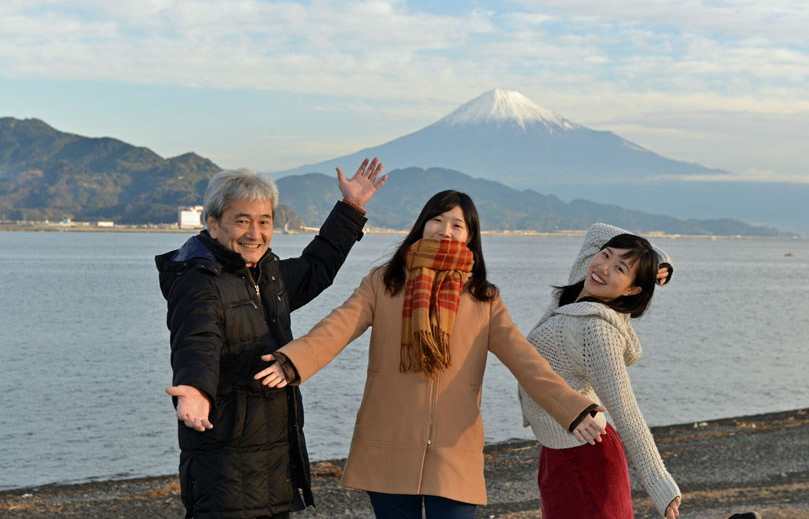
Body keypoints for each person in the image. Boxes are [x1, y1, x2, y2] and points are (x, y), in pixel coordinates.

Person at [254, 190, 607, 519]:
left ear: (470, 236)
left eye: (457, 225)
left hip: (454, 450)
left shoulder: (484, 299)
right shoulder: (384, 282)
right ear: (422, 225)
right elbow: (337, 328)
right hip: (388, 443)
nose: (445, 230)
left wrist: (573, 409)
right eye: (437, 220)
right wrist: (292, 361)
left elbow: (524, 359)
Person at [156, 159, 387, 518]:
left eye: (264, 221)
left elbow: (317, 266)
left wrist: (351, 208)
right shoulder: (198, 282)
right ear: (213, 224)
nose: (254, 233)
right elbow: (197, 340)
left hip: (273, 458)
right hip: (225, 462)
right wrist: (195, 390)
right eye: (242, 220)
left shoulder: (268, 276)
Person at [518, 223, 682, 519]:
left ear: (632, 289)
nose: (603, 267)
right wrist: (657, 259)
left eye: (620, 269)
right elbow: (597, 232)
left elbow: (627, 411)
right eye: (605, 255)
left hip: (586, 455)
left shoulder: (596, 330)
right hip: (558, 452)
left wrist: (659, 483)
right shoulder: (575, 293)